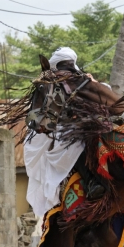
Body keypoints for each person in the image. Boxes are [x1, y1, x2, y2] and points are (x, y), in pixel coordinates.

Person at [24, 47, 106, 218]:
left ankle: (96, 181)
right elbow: (43, 111)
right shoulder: (49, 84)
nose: (66, 68)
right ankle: (89, 182)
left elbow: (104, 94)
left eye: (68, 64)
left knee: (77, 140)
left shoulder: (83, 79)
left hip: (88, 125)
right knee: (68, 142)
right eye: (63, 65)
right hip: (56, 128)